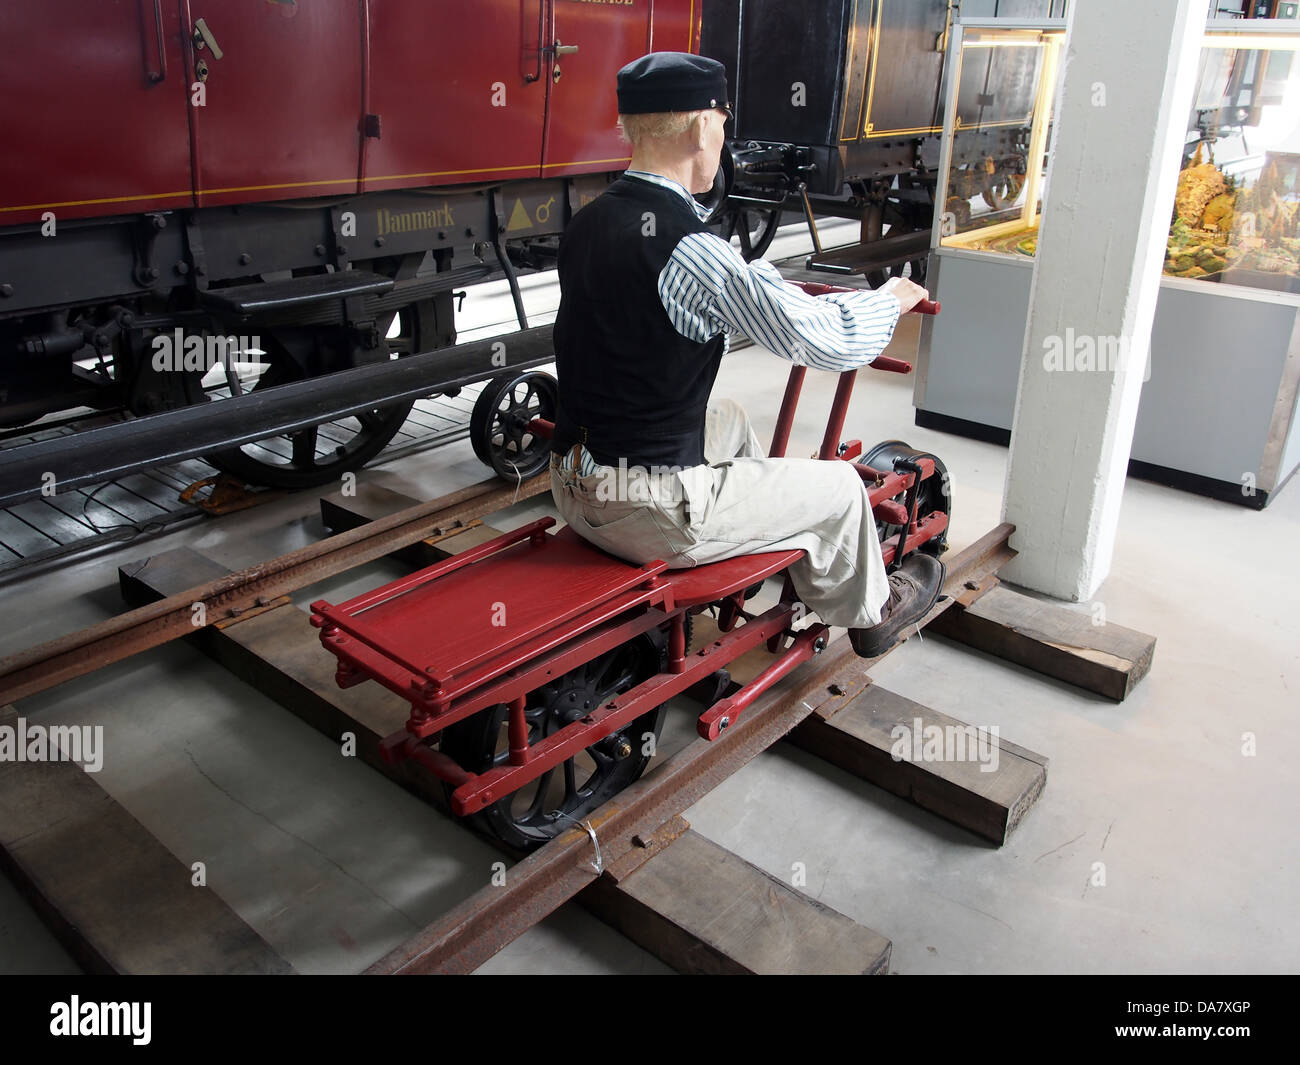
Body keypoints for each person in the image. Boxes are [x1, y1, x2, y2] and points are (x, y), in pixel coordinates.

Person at [549, 51, 944, 658]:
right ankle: (871, 613)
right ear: (701, 126)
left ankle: (765, 534)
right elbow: (827, 342)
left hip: (575, 481)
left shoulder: (591, 221)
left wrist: (759, 282)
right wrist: (888, 299)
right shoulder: (692, 248)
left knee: (728, 415)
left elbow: (678, 296)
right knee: (840, 487)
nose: (724, 135)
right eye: (723, 121)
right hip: (644, 512)